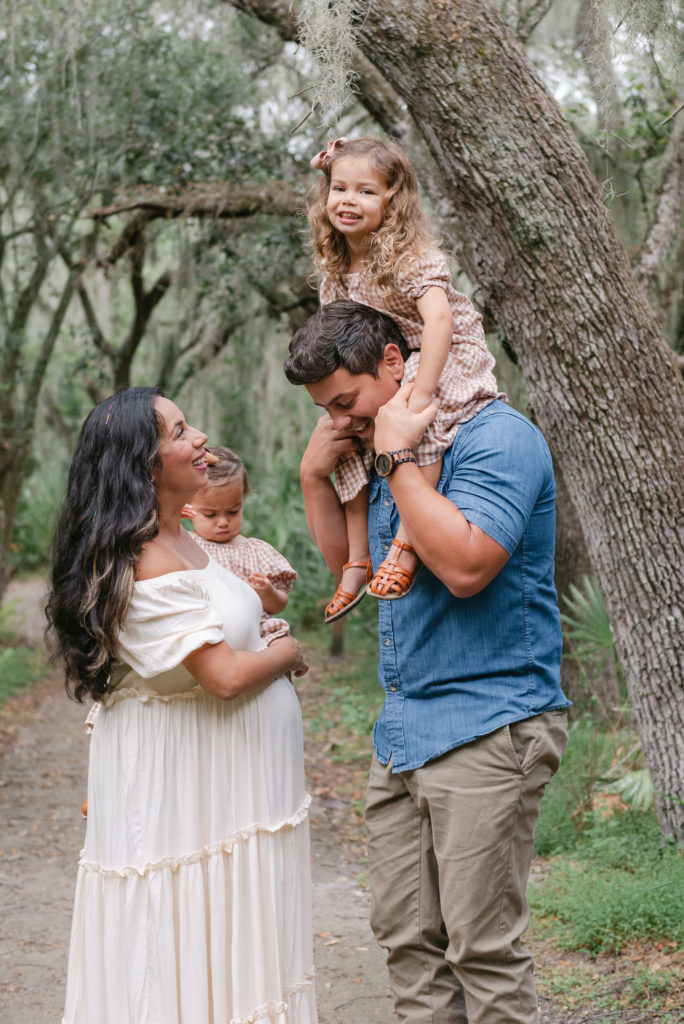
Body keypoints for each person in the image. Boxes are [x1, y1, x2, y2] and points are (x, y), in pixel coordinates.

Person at [284, 301, 570, 1024]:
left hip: (489, 724)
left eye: (346, 403)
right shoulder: (380, 444)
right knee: (408, 943)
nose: (342, 420)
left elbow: (466, 566)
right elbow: (360, 571)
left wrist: (399, 457)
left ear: (393, 363)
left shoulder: (497, 440)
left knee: (483, 952)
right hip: (405, 732)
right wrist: (318, 479)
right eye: (327, 411)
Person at [46, 387, 317, 1024]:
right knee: (176, 935)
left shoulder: (187, 542)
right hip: (183, 788)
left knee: (229, 936)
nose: (199, 439)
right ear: (141, 464)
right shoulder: (140, 559)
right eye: (178, 432)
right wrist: (288, 654)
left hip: (230, 784)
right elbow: (222, 676)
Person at [307, 136, 503, 620]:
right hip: (387, 360)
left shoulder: (410, 255)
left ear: (393, 201)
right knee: (346, 434)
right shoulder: (336, 269)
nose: (348, 201)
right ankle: (357, 558)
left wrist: (421, 389)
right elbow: (337, 340)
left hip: (441, 351)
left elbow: (439, 322)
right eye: (339, 188)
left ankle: (406, 544)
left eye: (366, 192)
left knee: (416, 423)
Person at [181, 445, 297, 646]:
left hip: (254, 635)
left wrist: (268, 594)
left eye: (233, 511)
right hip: (207, 635)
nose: (223, 521)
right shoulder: (185, 544)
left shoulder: (257, 552)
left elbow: (279, 604)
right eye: (210, 514)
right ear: (188, 508)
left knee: (279, 645)